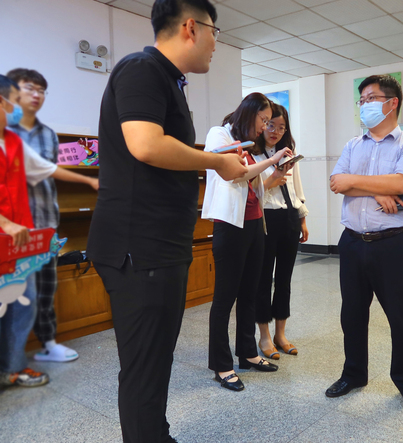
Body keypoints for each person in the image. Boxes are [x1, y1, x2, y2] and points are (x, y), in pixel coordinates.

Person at [86, 1, 248, 441]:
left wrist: (215, 158)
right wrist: (215, 161)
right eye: (215, 31)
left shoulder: (167, 79)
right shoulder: (142, 69)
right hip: (140, 249)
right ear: (191, 27)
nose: (216, 43)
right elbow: (146, 145)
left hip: (157, 247)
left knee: (155, 362)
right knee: (145, 368)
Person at [328, 74, 403, 416]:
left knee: (400, 317)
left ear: (392, 102)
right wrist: (377, 190)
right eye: (362, 100)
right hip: (352, 242)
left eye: (371, 98)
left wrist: (359, 183)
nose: (364, 105)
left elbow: (401, 183)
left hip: (392, 244)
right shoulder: (353, 145)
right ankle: (353, 374)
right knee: (352, 314)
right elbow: (336, 182)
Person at [203, 93, 292, 391]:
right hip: (230, 225)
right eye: (263, 120)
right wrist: (273, 159)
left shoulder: (249, 145)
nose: (265, 126)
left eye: (268, 121)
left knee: (250, 293)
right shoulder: (219, 135)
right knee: (225, 298)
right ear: (249, 112)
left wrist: (274, 170)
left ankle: (248, 353)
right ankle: (221, 365)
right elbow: (235, 174)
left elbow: (253, 183)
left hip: (255, 223)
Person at [7, 68, 97, 363]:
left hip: (46, 221)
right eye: (29, 88)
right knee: (13, 292)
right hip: (13, 226)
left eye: (41, 90)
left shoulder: (47, 134)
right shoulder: (6, 132)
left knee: (45, 288)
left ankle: (46, 344)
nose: (36, 95)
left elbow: (48, 173)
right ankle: (12, 359)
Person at [0, 75, 79, 388]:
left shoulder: (14, 142)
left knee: (25, 300)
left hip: (21, 241)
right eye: (14, 99)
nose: (18, 105)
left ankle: (13, 367)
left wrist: (90, 180)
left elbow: (47, 170)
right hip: (7, 232)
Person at [254, 103, 308, 360]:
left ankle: (281, 334)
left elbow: (297, 190)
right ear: (262, 125)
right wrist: (271, 180)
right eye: (270, 125)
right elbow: (250, 193)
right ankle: (264, 336)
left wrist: (302, 219)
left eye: (281, 127)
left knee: (285, 279)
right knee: (263, 279)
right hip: (264, 219)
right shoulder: (253, 155)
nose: (275, 131)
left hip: (289, 218)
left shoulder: (288, 155)